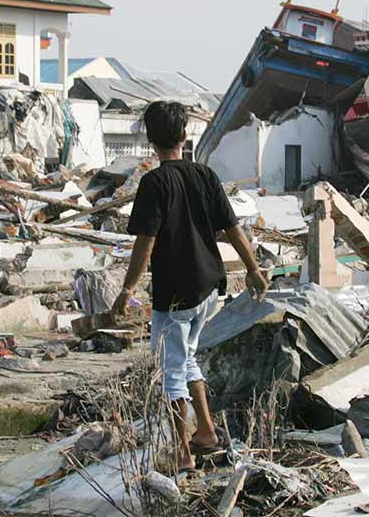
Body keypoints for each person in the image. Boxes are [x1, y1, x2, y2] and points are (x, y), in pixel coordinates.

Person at [112, 101, 269, 472]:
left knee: (171, 373)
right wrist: (253, 269)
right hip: (209, 287)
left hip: (177, 293)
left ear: (151, 140)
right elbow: (233, 228)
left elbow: (145, 242)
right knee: (188, 359)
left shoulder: (155, 182)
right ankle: (207, 432)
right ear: (185, 136)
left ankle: (182, 452)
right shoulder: (205, 175)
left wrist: (127, 290)